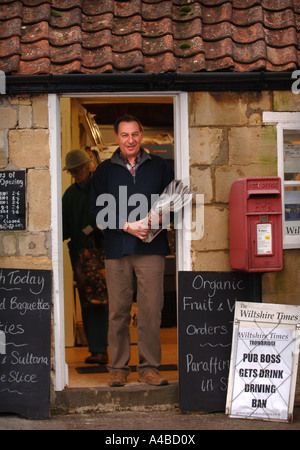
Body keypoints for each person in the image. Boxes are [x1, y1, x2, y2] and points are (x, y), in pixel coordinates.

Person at [90, 115, 174, 387]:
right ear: (116, 138)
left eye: (135, 134)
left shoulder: (160, 166)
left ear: (142, 135)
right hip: (117, 249)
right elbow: (97, 211)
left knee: (151, 310)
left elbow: (172, 203)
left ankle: (149, 368)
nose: (130, 140)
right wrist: (127, 226)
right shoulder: (103, 171)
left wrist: (153, 221)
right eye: (125, 135)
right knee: (118, 311)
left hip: (152, 249)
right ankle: (118, 368)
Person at [62, 149, 108, 365]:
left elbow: (108, 218)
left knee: (101, 301)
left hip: (103, 255)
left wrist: (87, 230)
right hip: (80, 257)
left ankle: (101, 350)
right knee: (87, 303)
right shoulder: (69, 195)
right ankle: (96, 350)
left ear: (88, 166)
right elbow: (64, 229)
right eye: (72, 171)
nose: (75, 174)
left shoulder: (101, 188)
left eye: (78, 170)